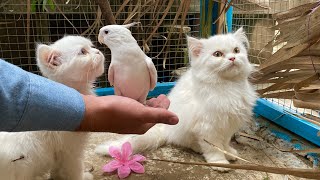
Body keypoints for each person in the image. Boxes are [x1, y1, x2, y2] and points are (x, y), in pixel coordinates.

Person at [0, 59, 178, 133]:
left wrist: (96, 110)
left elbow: (14, 91)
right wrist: (100, 112)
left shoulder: (145, 62)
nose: (98, 52)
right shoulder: (114, 65)